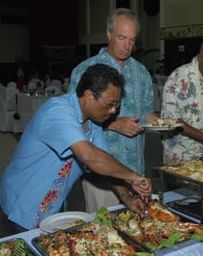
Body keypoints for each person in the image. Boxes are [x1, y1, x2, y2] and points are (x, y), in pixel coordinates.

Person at [0, 64, 152, 230]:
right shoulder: (58, 111)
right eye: (109, 104)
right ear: (89, 96)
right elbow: (89, 156)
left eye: (117, 105)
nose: (113, 111)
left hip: (50, 205)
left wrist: (127, 197)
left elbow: (105, 162)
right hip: (23, 203)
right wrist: (132, 177)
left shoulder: (93, 122)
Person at [69, 8, 156, 212]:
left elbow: (146, 113)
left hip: (135, 168)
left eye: (132, 40)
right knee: (104, 234)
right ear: (109, 34)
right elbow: (74, 121)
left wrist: (163, 123)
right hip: (102, 174)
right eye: (121, 38)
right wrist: (116, 124)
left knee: (136, 232)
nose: (127, 46)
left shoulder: (141, 72)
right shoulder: (84, 71)